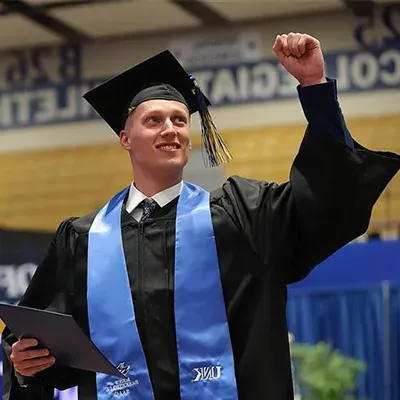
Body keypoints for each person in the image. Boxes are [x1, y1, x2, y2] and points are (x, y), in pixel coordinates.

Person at [2, 33, 400, 400]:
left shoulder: (244, 215)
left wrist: (314, 87)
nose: (171, 129)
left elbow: (329, 198)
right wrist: (26, 365)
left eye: (180, 119)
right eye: (154, 120)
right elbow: (44, 347)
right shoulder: (83, 239)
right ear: (125, 139)